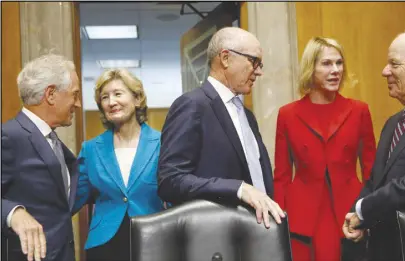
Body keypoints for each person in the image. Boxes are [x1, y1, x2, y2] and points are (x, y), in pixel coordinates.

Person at [157, 27, 284, 228]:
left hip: (255, 233)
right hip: (214, 238)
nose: (259, 71)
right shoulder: (192, 105)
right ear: (225, 58)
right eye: (254, 61)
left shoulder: (247, 115)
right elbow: (171, 181)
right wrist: (239, 189)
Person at [274, 37, 377, 261]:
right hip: (302, 219)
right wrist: (279, 224)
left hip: (349, 214)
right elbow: (281, 176)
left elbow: (371, 171)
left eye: (339, 63)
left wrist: (368, 215)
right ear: (311, 68)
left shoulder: (359, 110)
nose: (335, 71)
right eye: (327, 64)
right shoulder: (287, 114)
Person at [343, 29, 405, 261]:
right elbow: (376, 180)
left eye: (394, 64)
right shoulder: (393, 123)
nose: (384, 71)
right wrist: (356, 215)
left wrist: (364, 211)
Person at [72, 69, 164, 261]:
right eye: (105, 97)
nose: (111, 102)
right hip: (105, 246)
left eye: (118, 94)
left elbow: (176, 194)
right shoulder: (90, 149)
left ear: (137, 99)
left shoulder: (162, 144)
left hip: (154, 240)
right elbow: (72, 199)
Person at [1, 54, 81, 261]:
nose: (78, 103)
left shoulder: (52, 141)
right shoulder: (9, 136)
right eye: (74, 94)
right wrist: (13, 213)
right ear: (51, 94)